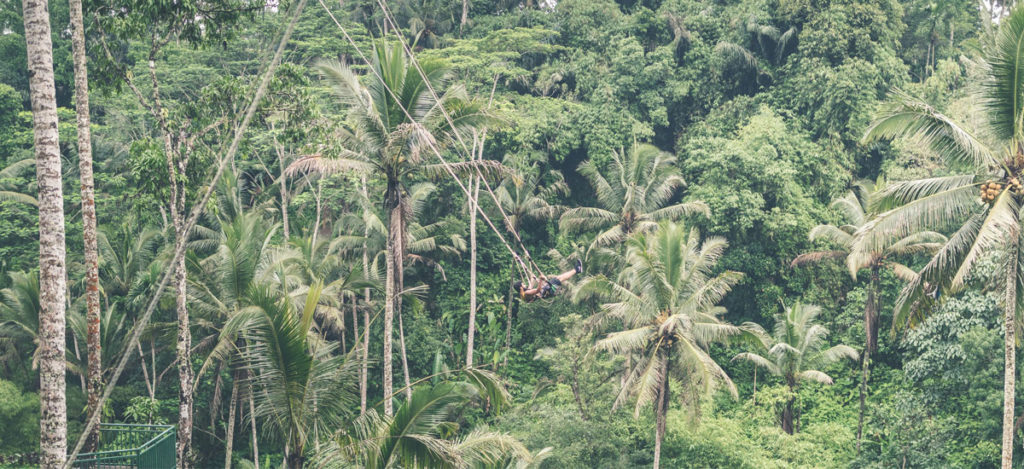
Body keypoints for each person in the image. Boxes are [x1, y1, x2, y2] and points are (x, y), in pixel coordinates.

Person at [514, 260, 582, 302]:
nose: (524, 284)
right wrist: (540, 280)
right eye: (522, 284)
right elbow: (537, 290)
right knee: (559, 279)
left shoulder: (525, 292)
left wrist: (525, 264)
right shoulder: (527, 293)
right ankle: (577, 269)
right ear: (520, 287)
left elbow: (531, 282)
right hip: (547, 291)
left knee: (559, 278)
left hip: (546, 291)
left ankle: (576, 270)